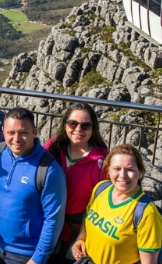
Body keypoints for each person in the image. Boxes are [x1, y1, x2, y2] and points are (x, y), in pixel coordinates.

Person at [0, 107, 66, 264]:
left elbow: (53, 219)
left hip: (25, 255)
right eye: (11, 132)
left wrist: (39, 258)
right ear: (3, 131)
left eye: (23, 132)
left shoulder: (48, 169)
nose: (16, 139)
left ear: (34, 132)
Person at [71, 145, 162, 264]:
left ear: (140, 173)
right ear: (108, 171)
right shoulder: (101, 189)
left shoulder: (147, 213)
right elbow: (88, 216)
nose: (122, 175)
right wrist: (80, 238)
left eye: (130, 169)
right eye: (117, 168)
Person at [44, 103, 108, 264]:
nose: (78, 129)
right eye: (73, 123)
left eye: (85, 125)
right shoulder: (53, 147)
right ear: (65, 124)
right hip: (46, 226)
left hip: (75, 234)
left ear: (93, 129)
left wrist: (82, 237)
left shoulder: (100, 163)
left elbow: (100, 206)